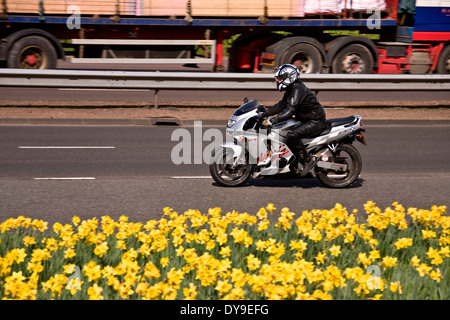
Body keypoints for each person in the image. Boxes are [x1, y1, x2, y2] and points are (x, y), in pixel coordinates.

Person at [261, 64, 327, 176]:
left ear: (289, 77)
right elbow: (281, 105)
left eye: (281, 78)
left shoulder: (297, 89)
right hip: (304, 119)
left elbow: (290, 110)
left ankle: (307, 161)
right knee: (282, 130)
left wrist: (273, 120)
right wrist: (263, 114)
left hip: (315, 121)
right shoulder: (291, 88)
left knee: (292, 135)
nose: (279, 81)